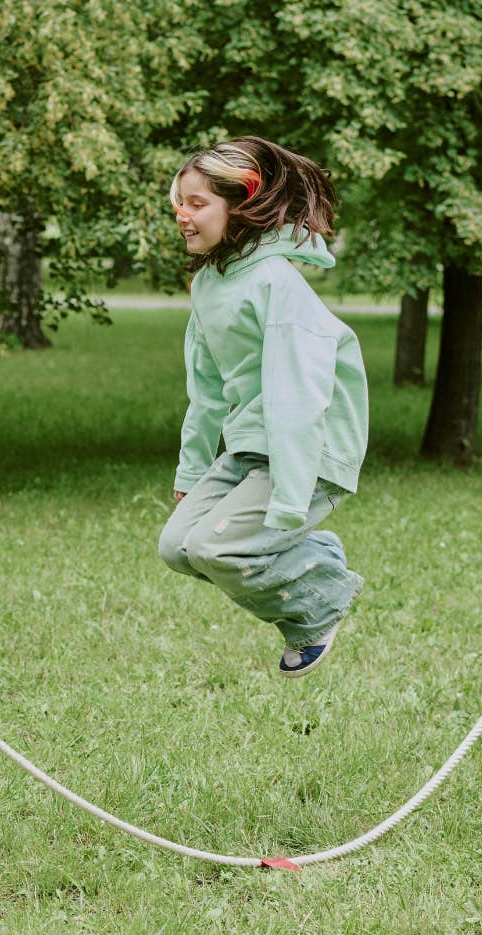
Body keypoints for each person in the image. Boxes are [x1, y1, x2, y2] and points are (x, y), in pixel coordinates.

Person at [156, 136, 369, 678]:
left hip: (309, 450)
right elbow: (205, 388)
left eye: (197, 203)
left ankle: (320, 600)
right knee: (178, 547)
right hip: (254, 443)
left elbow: (297, 394)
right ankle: (310, 548)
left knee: (215, 548)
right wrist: (193, 468)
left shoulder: (274, 283)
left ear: (241, 205)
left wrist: (293, 500)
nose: (182, 215)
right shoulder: (209, 283)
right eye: (178, 203)